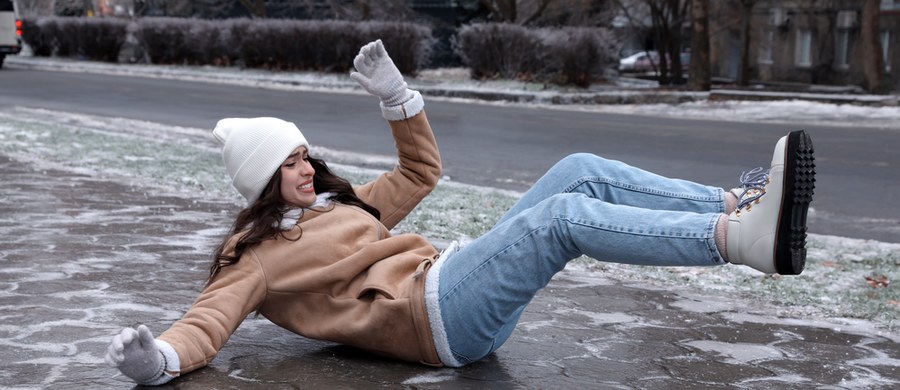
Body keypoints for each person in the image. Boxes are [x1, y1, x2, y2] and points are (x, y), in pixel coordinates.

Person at [105, 40, 816, 385]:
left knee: (578, 170)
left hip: (451, 281)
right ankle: (739, 241)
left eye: (303, 156)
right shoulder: (256, 259)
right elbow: (208, 322)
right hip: (435, 316)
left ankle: (741, 204)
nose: (304, 169)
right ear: (260, 183)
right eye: (287, 164)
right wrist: (158, 358)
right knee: (560, 217)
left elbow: (422, 171)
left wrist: (398, 100)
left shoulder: (339, 205)